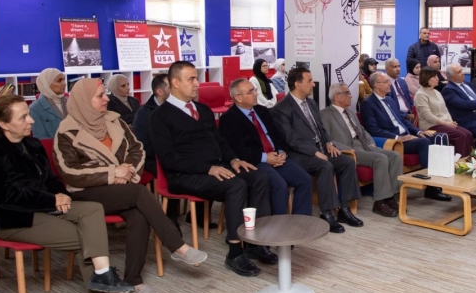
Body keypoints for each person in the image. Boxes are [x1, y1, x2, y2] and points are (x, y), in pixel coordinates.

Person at [0, 95, 138, 293]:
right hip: (13, 219)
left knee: (93, 209)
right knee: (87, 238)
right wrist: (52, 200)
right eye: (23, 117)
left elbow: (50, 180)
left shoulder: (32, 145)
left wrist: (61, 195)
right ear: (4, 124)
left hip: (43, 208)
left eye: (29, 114)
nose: (31, 120)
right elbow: (4, 197)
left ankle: (102, 273)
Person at [54, 78, 208, 293]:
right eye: (100, 96)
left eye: (105, 94)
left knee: (139, 215)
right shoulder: (66, 132)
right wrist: (112, 173)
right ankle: (177, 246)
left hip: (121, 187)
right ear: (84, 100)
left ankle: (133, 280)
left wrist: (126, 173)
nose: (107, 99)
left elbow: (137, 149)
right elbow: (69, 171)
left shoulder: (114, 121)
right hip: (85, 192)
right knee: (139, 193)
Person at [150, 62, 275, 276]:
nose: (197, 84)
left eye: (196, 78)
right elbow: (169, 159)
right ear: (175, 83)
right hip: (185, 175)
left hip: (217, 167)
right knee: (236, 185)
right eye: (191, 79)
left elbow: (221, 142)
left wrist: (233, 159)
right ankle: (235, 252)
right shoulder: (159, 117)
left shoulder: (203, 110)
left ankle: (255, 243)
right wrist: (208, 168)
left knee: (259, 177)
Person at [273, 67, 363, 233]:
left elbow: (321, 128)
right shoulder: (281, 108)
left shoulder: (311, 103)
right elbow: (290, 139)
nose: (313, 84)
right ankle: (326, 213)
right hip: (298, 154)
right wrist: (314, 151)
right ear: (297, 84)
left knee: (347, 162)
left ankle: (344, 209)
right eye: (309, 81)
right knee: (325, 166)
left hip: (320, 148)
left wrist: (328, 142)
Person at [219, 78, 312, 217]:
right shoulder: (229, 119)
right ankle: (277, 224)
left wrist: (282, 151)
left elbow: (278, 135)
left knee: (305, 180)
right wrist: (265, 158)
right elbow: (239, 150)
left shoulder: (262, 111)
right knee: (279, 185)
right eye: (251, 91)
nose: (256, 94)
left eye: (255, 90)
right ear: (238, 98)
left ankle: (301, 220)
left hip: (277, 157)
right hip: (255, 161)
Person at [361, 73, 451, 202]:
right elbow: (373, 130)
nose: (389, 84)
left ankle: (442, 179)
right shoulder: (368, 103)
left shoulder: (389, 100)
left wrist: (419, 132)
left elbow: (403, 121)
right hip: (394, 140)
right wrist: (397, 137)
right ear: (376, 85)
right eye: (386, 82)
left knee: (438, 137)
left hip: (407, 135)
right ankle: (431, 188)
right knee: (424, 143)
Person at [321, 83, 403, 218]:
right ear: (337, 97)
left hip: (364, 145)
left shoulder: (350, 112)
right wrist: (348, 149)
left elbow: (363, 131)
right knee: (380, 158)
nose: (351, 96)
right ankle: (379, 202)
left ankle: (390, 197)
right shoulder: (325, 114)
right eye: (347, 93)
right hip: (349, 149)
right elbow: (327, 138)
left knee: (395, 156)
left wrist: (371, 143)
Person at [413, 68, 474, 158]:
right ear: (427, 78)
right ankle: (459, 161)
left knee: (468, 134)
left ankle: (468, 159)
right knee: (461, 135)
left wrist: (451, 121)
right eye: (434, 76)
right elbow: (428, 116)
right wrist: (446, 123)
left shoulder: (437, 92)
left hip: (444, 123)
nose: (438, 78)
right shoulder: (420, 95)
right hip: (431, 125)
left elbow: (445, 110)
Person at [133, 73, 170, 176]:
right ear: (160, 91)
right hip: (155, 158)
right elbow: (145, 145)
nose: (176, 90)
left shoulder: (180, 107)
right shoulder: (143, 114)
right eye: (170, 87)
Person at [29, 68, 68, 139]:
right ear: (46, 84)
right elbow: (41, 139)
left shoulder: (71, 102)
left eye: (63, 79)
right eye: (59, 81)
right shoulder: (35, 108)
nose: (64, 84)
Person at [384, 58, 415, 125]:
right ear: (386, 69)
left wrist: (414, 111)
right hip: (397, 117)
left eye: (399, 66)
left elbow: (409, 100)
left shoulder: (402, 82)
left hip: (410, 115)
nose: (398, 69)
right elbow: (388, 107)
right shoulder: (384, 84)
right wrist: (406, 116)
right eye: (394, 67)